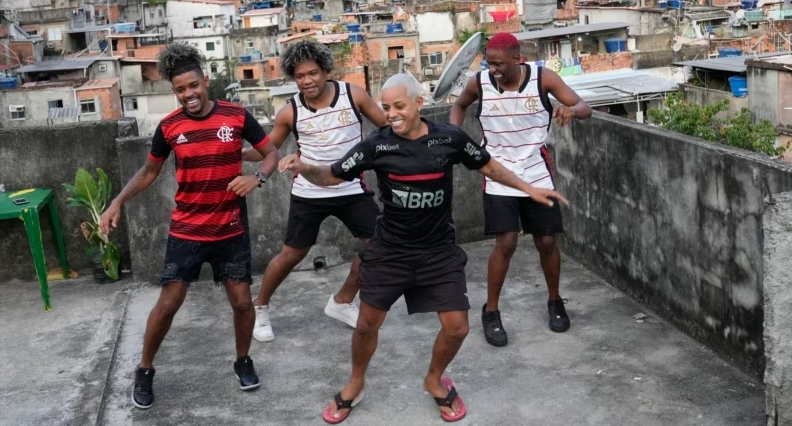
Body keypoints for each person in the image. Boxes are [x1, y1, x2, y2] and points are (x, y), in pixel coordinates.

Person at [279, 73, 567, 424]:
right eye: (385, 108)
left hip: (438, 251)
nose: (391, 114)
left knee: (458, 327)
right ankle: (355, 384)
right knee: (367, 325)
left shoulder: (450, 138)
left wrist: (530, 189)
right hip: (390, 250)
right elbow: (332, 175)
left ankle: (434, 379)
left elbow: (489, 165)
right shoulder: (376, 144)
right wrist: (305, 167)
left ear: (419, 102)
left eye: (399, 106)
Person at [99, 43, 280, 410]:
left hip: (230, 229)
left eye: (193, 85)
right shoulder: (169, 128)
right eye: (181, 89)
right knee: (168, 303)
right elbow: (149, 172)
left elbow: (271, 152)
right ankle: (145, 370)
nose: (189, 94)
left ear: (205, 81)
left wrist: (257, 178)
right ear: (174, 91)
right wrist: (117, 201)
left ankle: (243, 361)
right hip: (187, 229)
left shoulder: (237, 116)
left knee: (243, 302)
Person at [449, 32, 592, 345]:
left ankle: (555, 301)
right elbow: (459, 105)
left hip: (536, 175)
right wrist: (453, 134)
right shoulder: (480, 83)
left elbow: (584, 106)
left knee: (546, 242)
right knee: (507, 242)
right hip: (498, 174)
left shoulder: (544, 79)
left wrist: (571, 110)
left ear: (518, 59)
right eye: (489, 63)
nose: (493, 69)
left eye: (499, 64)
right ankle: (492, 310)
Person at [242, 41, 387, 342]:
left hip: (350, 187)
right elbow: (266, 150)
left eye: (313, 73)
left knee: (382, 245)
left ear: (325, 71)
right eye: (299, 76)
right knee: (291, 254)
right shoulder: (290, 112)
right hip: (309, 192)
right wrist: (236, 152)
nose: (307, 81)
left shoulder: (353, 95)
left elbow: (386, 126)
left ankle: (342, 301)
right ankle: (261, 307)